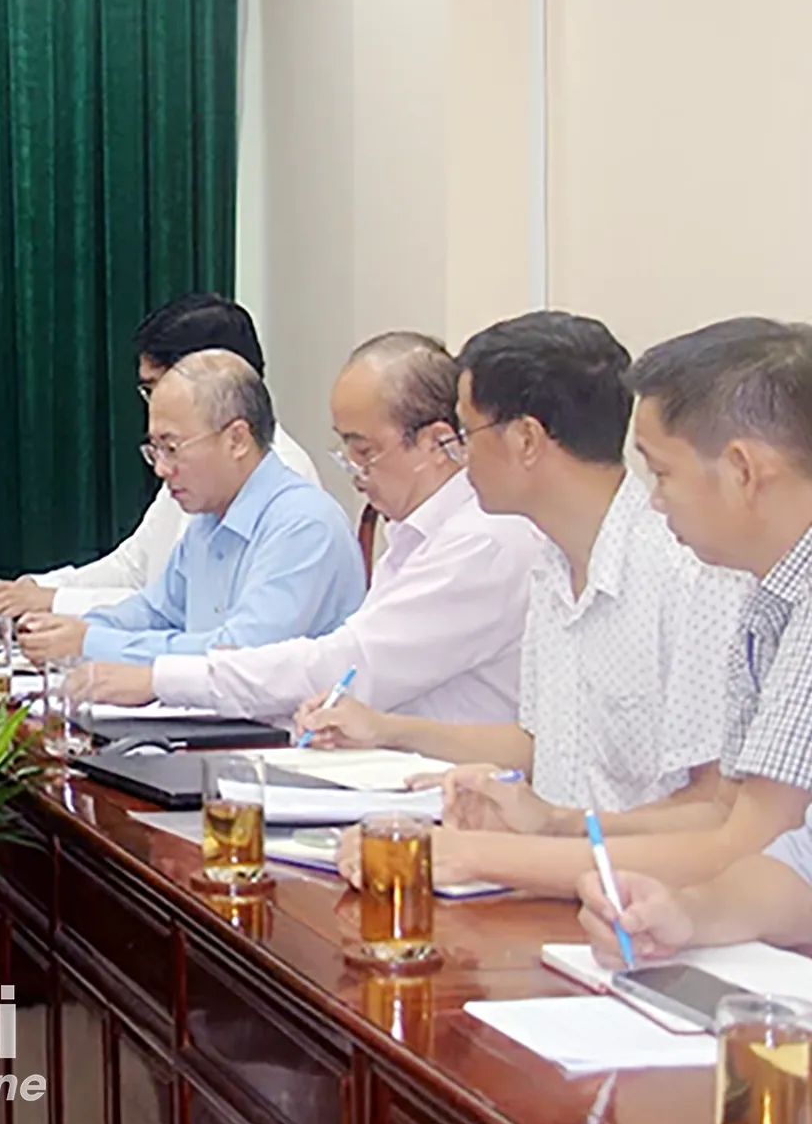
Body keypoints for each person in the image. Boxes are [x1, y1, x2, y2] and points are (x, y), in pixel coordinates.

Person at [308, 313, 749, 892]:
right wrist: (389, 730)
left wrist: (548, 836)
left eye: (466, 434)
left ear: (526, 440)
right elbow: (541, 740)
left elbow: (715, 807)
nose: (459, 458)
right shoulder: (549, 560)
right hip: (548, 884)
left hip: (648, 902)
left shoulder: (690, 575)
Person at [429, 318, 812, 907]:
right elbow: (731, 814)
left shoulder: (718, 581)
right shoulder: (769, 598)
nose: (655, 498)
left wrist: (480, 856)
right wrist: (554, 824)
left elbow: (748, 840)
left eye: (662, 472)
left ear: (742, 470)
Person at [69, 332, 543, 722]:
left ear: (438, 443)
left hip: (444, 799)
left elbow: (345, 666)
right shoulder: (412, 535)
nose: (354, 474)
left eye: (364, 452)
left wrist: (157, 678)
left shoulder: (481, 541)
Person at [0, 293, 321, 618]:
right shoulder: (194, 466)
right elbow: (139, 570)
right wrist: (29, 590)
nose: (161, 466)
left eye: (158, 387)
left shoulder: (281, 487)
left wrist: (55, 602)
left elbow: (200, 624)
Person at [18, 351, 364, 665]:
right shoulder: (209, 519)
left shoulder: (303, 525)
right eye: (154, 450)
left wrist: (91, 643)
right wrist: (71, 630)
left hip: (280, 732)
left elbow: (241, 654)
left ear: (237, 439)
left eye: (172, 448)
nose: (161, 469)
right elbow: (156, 611)